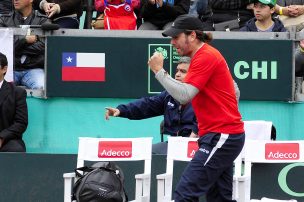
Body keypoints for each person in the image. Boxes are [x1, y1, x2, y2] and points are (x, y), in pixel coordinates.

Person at [148, 14, 245, 201]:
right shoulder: (204, 55)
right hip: (222, 135)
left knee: (184, 194)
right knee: (219, 198)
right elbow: (234, 91)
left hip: (221, 136)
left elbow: (184, 96)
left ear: (192, 35)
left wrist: (159, 71)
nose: (172, 42)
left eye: (176, 37)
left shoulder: (205, 56)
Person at [105, 57, 198, 154]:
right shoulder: (168, 95)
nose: (177, 74)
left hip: (198, 145)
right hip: (174, 144)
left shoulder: (204, 97)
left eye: (183, 71)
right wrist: (121, 110)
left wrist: (191, 142)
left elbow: (203, 124)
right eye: (177, 71)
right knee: (147, 152)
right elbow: (147, 105)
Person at [0, 0, 50, 89]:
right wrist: (24, 40)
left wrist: (15, 44)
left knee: (42, 87)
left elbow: (43, 46)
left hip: (34, 69)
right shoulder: (4, 19)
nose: (15, 0)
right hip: (10, 69)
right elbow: (3, 45)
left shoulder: (43, 20)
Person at [0, 52, 28, 152]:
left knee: (16, 149)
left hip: (8, 140)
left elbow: (21, 123)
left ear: (4, 69)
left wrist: (2, 137)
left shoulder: (17, 93)